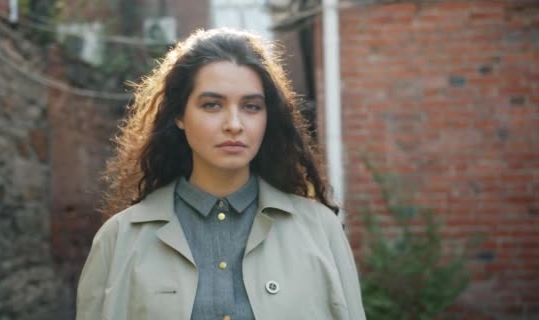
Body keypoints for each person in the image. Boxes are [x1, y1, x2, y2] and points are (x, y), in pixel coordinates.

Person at [76, 28, 366, 320]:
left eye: (251, 107)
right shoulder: (119, 238)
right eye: (212, 105)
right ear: (178, 115)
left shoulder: (319, 230)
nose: (234, 124)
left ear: (269, 116)